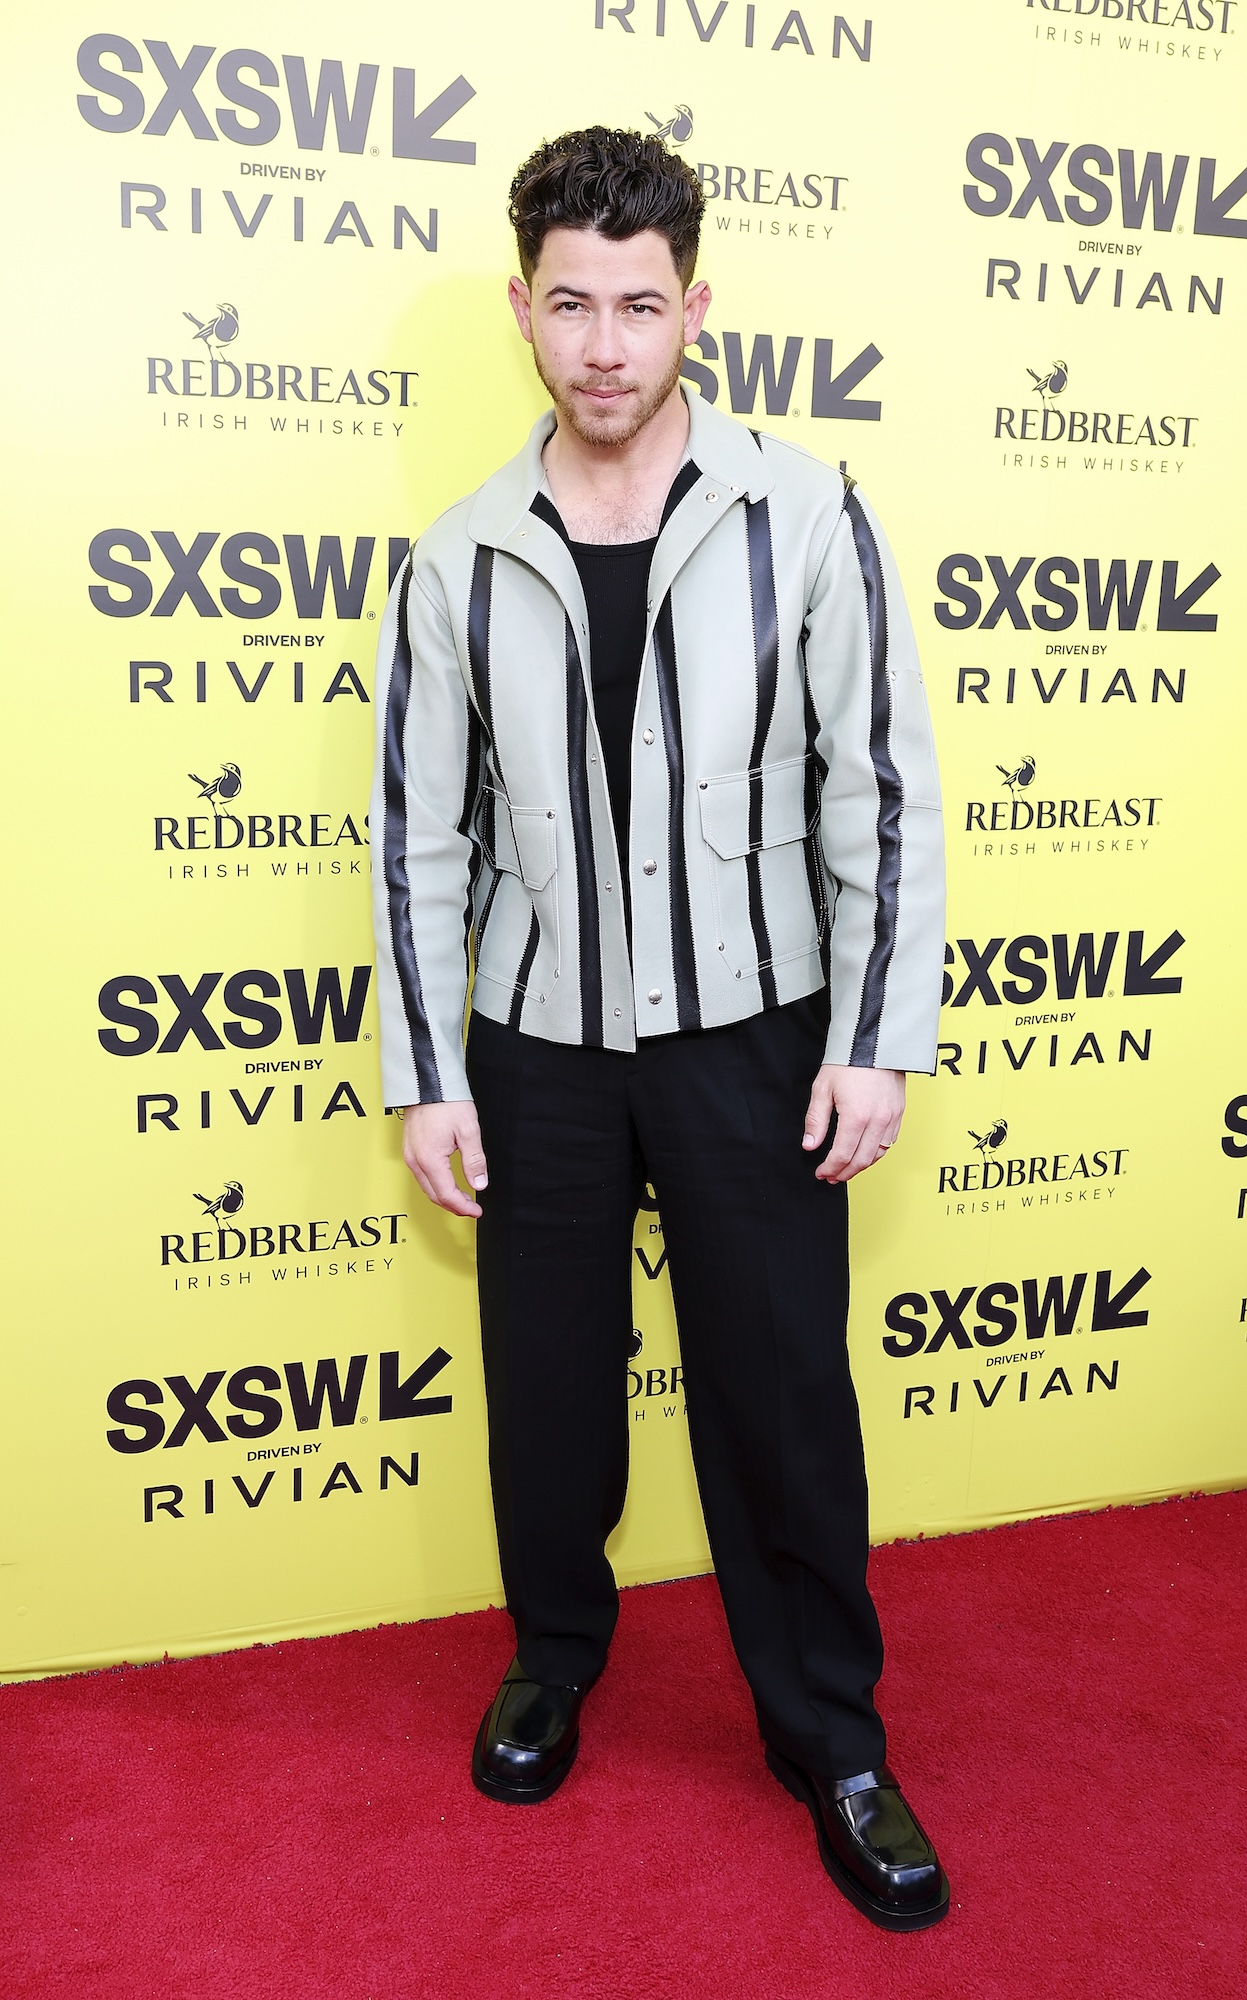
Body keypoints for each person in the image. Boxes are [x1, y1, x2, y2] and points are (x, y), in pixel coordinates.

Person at [369, 127, 948, 1932]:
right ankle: (552, 1658)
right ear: (520, 309)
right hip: (536, 1042)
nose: (604, 344)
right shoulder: (457, 558)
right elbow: (416, 835)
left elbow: (879, 794)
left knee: (780, 1400)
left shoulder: (807, 515)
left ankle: (831, 1739)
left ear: (695, 308)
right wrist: (430, 1073)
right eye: (570, 305)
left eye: (639, 305)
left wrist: (875, 1033)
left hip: (752, 1033)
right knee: (547, 1389)